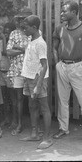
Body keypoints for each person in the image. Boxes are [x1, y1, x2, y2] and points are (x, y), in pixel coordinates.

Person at [52, 1, 82, 145]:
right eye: (61, 11)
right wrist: (57, 63)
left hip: (78, 67)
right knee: (62, 101)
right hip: (62, 66)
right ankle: (63, 129)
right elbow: (55, 45)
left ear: (74, 12)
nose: (62, 14)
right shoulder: (60, 28)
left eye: (65, 11)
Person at [19, 15, 53, 149]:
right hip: (28, 77)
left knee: (44, 108)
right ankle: (35, 134)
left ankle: (47, 138)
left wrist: (38, 85)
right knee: (32, 105)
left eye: (25, 27)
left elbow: (45, 65)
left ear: (34, 28)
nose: (23, 29)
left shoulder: (40, 43)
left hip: (38, 79)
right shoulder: (31, 39)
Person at [6, 7, 32, 136]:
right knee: (19, 98)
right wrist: (24, 50)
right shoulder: (14, 33)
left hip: (31, 70)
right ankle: (20, 124)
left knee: (33, 98)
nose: (22, 21)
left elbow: (34, 52)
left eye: (24, 19)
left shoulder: (34, 32)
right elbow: (8, 51)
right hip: (17, 70)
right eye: (20, 19)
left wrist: (18, 47)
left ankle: (35, 126)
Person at [0, 23, 16, 128]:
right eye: (4, 32)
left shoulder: (12, 44)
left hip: (10, 73)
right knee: (4, 98)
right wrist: (3, 40)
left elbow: (5, 52)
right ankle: (6, 118)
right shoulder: (0, 42)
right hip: (1, 72)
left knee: (13, 98)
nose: (6, 34)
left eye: (8, 32)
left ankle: (14, 120)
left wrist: (4, 39)